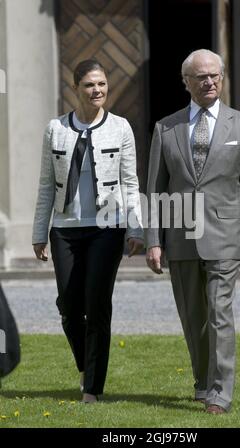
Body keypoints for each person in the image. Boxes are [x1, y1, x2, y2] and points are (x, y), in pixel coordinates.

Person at [145, 49, 240, 414]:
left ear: (222, 78)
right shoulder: (166, 128)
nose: (209, 82)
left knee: (219, 313)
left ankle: (220, 394)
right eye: (201, 76)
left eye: (215, 75)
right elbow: (156, 190)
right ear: (186, 81)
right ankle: (202, 384)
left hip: (225, 236)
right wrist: (153, 240)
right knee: (193, 318)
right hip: (181, 235)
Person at [32, 59, 143, 403]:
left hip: (106, 229)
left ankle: (92, 388)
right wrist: (39, 232)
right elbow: (47, 185)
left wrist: (135, 228)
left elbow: (129, 181)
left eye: (102, 85)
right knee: (68, 306)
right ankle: (85, 365)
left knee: (97, 306)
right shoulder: (56, 129)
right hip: (64, 230)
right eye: (90, 85)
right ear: (76, 88)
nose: (97, 91)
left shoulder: (121, 127)